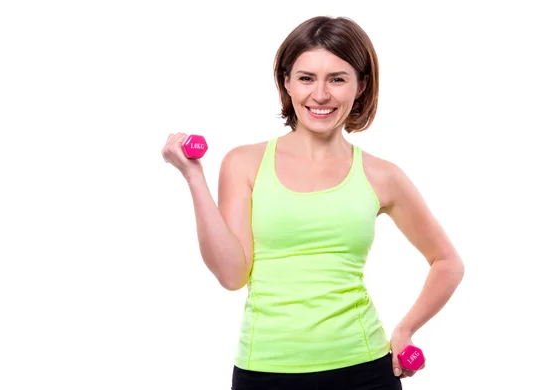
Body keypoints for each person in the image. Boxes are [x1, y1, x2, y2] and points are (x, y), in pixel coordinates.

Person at [161, 15, 465, 390]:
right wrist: (194, 178)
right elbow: (231, 275)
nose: (320, 95)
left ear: (361, 85)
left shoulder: (382, 175)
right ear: (286, 82)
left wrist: (405, 329)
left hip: (364, 370)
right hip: (265, 373)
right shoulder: (244, 163)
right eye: (306, 78)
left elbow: (447, 262)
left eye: (337, 79)